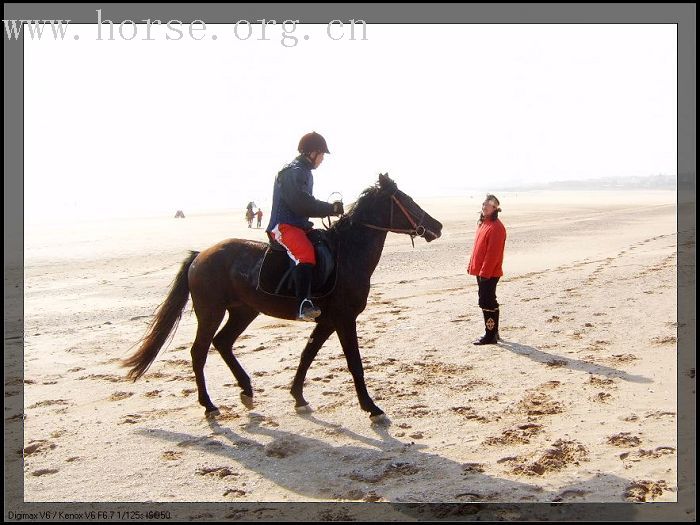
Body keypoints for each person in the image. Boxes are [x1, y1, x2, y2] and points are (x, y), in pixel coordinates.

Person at [266, 132, 344, 321]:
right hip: (284, 226)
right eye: (322, 155)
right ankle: (303, 304)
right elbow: (301, 203)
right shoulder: (294, 171)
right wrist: (330, 208)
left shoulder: (304, 171)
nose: (322, 159)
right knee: (304, 253)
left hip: (299, 225)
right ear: (311, 152)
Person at [467, 194, 507, 345]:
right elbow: (477, 248)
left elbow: (493, 254)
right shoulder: (483, 223)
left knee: (486, 301)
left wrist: (485, 273)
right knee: (488, 299)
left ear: (495, 208)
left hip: (489, 272)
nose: (484, 207)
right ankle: (494, 333)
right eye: (483, 204)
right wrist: (471, 265)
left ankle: (490, 335)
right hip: (482, 271)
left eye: (487, 205)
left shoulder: (496, 227)